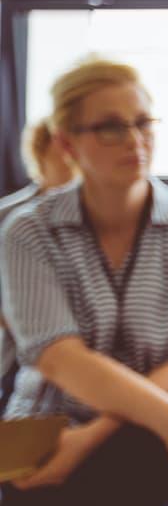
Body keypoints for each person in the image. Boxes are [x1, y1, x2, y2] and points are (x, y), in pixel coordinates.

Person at [0, 57, 168, 506]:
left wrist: (95, 435)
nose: (134, 140)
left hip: (160, 424)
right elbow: (59, 358)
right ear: (66, 142)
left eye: (143, 122)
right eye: (109, 127)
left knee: (135, 471)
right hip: (51, 423)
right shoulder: (27, 230)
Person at [1, 117, 78, 413]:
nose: (71, 161)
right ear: (41, 157)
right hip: (19, 357)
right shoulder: (10, 217)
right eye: (61, 151)